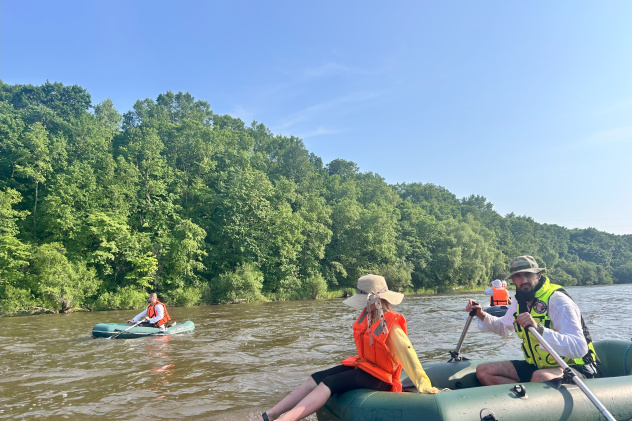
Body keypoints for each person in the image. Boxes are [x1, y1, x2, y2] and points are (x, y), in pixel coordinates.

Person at [252, 274, 443, 421]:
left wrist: (424, 385)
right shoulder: (369, 317)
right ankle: (270, 415)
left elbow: (408, 354)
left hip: (381, 378)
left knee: (328, 384)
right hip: (366, 368)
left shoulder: (390, 326)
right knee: (315, 378)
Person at [465, 255, 600, 385]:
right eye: (518, 276)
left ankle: (528, 394)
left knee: (540, 377)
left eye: (528, 274)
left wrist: (539, 329)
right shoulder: (519, 301)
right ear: (512, 279)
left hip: (575, 368)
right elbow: (503, 328)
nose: (524, 280)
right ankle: (522, 396)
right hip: (539, 367)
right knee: (484, 371)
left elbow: (579, 348)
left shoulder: (558, 301)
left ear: (538, 275)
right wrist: (481, 314)